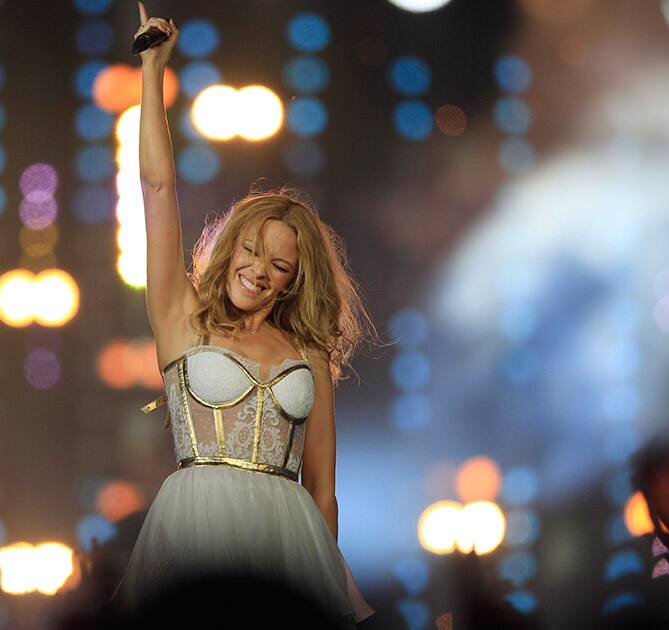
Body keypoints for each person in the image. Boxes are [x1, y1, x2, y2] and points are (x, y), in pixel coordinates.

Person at [109, 3, 382, 627]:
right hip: (193, 528)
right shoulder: (182, 319)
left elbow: (322, 488)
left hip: (290, 541)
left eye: (280, 267)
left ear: (292, 282)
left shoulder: (307, 352)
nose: (259, 270)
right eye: (252, 251)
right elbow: (156, 189)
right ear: (230, 248)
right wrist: (152, 72)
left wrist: (327, 579)